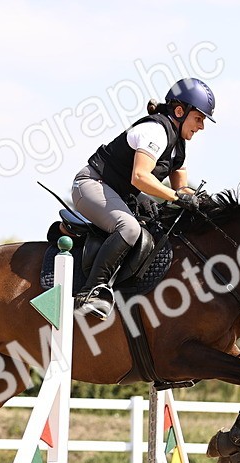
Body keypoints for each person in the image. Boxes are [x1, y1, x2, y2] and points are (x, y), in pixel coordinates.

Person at [70, 77, 215, 318]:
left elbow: (182, 189)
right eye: (199, 118)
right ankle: (91, 292)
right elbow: (140, 177)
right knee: (129, 229)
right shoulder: (155, 131)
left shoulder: (179, 146)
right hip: (91, 184)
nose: (201, 126)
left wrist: (204, 203)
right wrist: (177, 197)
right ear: (180, 111)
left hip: (119, 193)